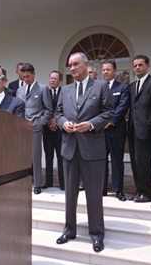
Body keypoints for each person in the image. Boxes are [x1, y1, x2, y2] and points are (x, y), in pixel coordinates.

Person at [55, 52, 114, 253]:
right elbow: (58, 113)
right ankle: (69, 230)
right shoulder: (65, 90)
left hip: (93, 149)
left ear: (86, 64)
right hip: (70, 148)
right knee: (70, 194)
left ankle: (96, 234)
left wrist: (90, 124)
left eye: (76, 64)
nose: (72, 68)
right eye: (69, 65)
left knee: (94, 194)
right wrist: (64, 124)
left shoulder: (101, 86)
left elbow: (108, 112)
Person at [128, 55, 151, 202]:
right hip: (133, 130)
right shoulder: (131, 86)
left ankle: (148, 193)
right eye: (135, 65)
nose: (137, 68)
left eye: (140, 65)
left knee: (144, 162)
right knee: (135, 162)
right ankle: (139, 191)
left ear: (148, 66)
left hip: (147, 130)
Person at [17, 63, 53, 194]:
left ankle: (37, 184)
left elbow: (49, 110)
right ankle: (22, 182)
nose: (26, 79)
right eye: (23, 77)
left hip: (36, 126)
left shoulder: (43, 89)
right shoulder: (19, 90)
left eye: (28, 76)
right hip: (21, 127)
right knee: (21, 156)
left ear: (34, 74)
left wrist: (40, 122)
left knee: (35, 156)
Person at [101, 59, 129, 201]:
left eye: (108, 69)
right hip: (100, 131)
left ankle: (118, 190)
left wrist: (110, 122)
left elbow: (122, 108)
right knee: (101, 160)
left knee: (117, 160)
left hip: (116, 130)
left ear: (115, 71)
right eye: (103, 69)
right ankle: (102, 189)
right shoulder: (98, 87)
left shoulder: (122, 88)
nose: (105, 72)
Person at [42, 70, 65, 190]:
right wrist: (49, 121)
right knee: (48, 156)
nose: (53, 80)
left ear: (60, 80)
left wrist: (55, 120)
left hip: (60, 130)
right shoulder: (44, 92)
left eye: (55, 78)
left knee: (61, 157)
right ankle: (48, 182)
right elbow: (41, 108)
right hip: (47, 130)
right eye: (51, 78)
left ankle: (63, 183)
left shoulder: (64, 92)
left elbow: (64, 109)